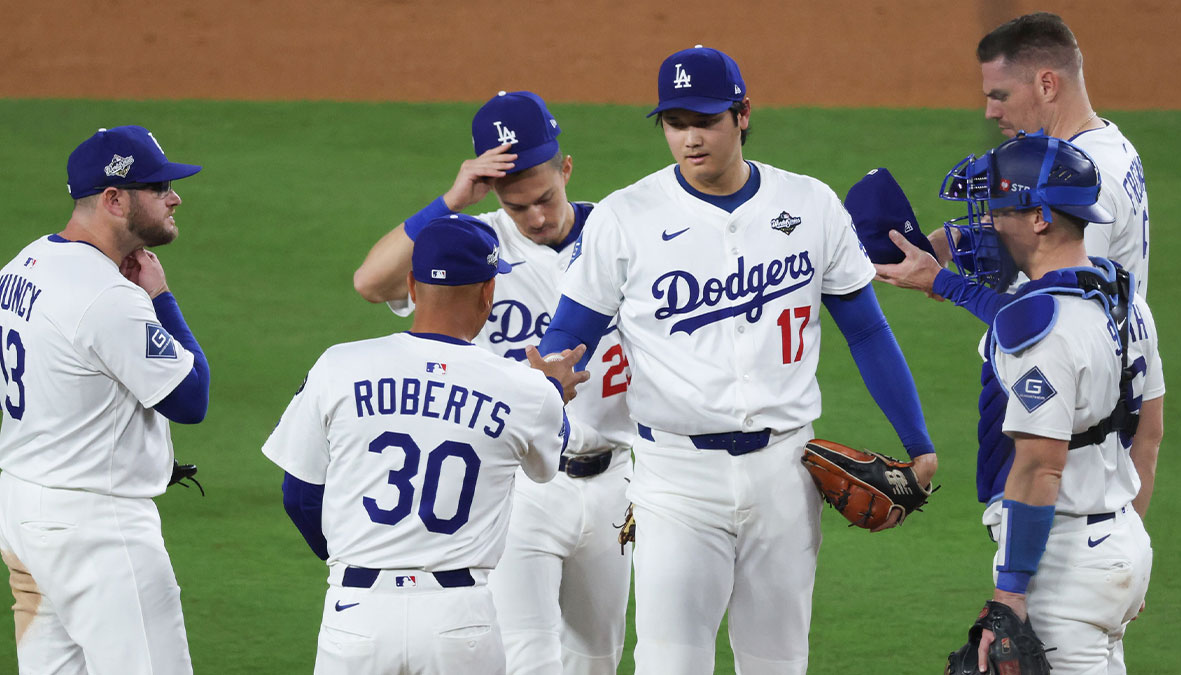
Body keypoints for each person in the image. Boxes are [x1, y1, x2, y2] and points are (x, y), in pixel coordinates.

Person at [538, 46, 938, 674]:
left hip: (786, 469)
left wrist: (917, 439)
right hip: (674, 476)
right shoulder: (625, 217)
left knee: (778, 662)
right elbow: (570, 329)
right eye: (675, 123)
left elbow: (866, 330)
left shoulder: (809, 205)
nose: (690, 138)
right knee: (671, 664)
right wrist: (548, 376)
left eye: (706, 120)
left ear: (743, 113)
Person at [354, 91, 634, 674]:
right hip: (521, 487)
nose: (534, 217)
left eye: (544, 199)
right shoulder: (476, 249)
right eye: (517, 206)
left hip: (615, 479)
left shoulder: (620, 238)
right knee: (525, 658)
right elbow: (373, 282)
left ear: (567, 168)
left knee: (598, 658)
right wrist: (453, 200)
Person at [264, 214, 590, 675]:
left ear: (413, 286)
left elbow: (298, 496)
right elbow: (547, 465)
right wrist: (552, 392)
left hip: (356, 612)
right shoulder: (524, 389)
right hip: (459, 620)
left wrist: (357, 560)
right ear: (487, 292)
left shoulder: (338, 365)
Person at [930, 134, 1163, 673]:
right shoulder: (1125, 300)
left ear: (1039, 217)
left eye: (997, 210)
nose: (987, 223)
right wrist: (1126, 554)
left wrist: (1008, 594)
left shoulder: (1046, 328)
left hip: (1062, 569)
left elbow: (1039, 468)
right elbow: (1147, 434)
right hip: (1121, 539)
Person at [0, 125, 210, 674]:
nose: (174, 197)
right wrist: (161, 299)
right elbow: (190, 398)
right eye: (158, 187)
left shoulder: (22, 267)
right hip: (97, 528)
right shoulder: (107, 296)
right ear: (115, 199)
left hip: (24, 513)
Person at [923, 12, 1151, 297]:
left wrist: (941, 282)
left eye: (1000, 96)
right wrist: (957, 241)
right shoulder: (1102, 147)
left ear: (1046, 85)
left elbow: (1055, 311)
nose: (990, 113)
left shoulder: (1086, 182)